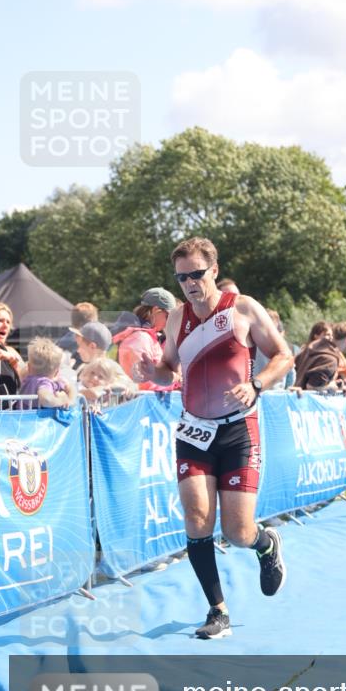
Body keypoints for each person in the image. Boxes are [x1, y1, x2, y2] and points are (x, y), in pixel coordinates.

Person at [133, 236, 293, 640]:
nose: (189, 283)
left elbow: (283, 355)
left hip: (238, 430)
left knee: (238, 532)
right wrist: (153, 373)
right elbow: (169, 369)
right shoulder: (176, 320)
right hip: (194, 431)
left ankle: (265, 544)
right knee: (197, 518)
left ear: (214, 270)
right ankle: (217, 610)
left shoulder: (243, 309)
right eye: (181, 277)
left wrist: (256, 384)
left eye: (196, 274)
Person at [114, 288, 178, 391]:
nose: (169, 322)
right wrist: (174, 381)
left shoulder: (144, 336)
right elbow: (144, 380)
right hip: (140, 400)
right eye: (168, 317)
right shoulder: (140, 338)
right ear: (156, 310)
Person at [294, 322, 346, 391]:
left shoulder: (313, 346)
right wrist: (332, 386)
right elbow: (312, 386)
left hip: (295, 394)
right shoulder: (330, 359)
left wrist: (330, 383)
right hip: (305, 397)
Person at [18, 338, 75, 410]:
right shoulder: (44, 383)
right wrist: (61, 401)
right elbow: (46, 400)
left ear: (29, 367)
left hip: (20, 416)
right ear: (57, 372)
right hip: (38, 417)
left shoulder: (27, 380)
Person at [0, 302, 24, 399]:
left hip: (10, 409)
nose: (5, 325)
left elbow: (28, 380)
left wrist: (13, 360)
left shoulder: (11, 352)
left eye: (8, 322)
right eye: (0, 321)